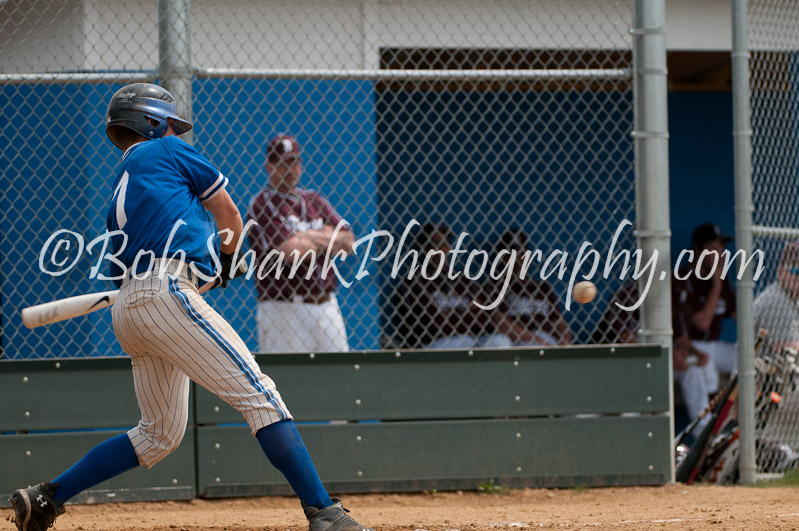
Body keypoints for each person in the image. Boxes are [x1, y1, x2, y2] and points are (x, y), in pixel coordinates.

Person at [8, 84, 371, 531]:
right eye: (170, 124)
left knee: (158, 435)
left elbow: (139, 269)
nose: (176, 132)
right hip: (164, 295)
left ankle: (46, 498)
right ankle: (325, 513)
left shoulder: (126, 182)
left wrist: (207, 272)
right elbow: (229, 214)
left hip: (132, 308)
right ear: (153, 123)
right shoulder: (167, 150)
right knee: (261, 397)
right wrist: (231, 258)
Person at [247, 134, 354, 353]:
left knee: (339, 376)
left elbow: (349, 242)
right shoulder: (263, 204)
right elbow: (290, 252)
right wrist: (324, 235)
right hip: (284, 307)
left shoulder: (313, 199)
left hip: (326, 305)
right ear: (269, 167)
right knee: (288, 380)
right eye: (283, 163)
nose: (291, 169)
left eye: (294, 162)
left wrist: (306, 237)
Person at [395, 223, 511, 349]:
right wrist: (466, 310)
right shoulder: (415, 281)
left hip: (469, 340)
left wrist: (450, 313)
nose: (440, 249)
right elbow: (434, 324)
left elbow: (487, 317)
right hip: (437, 344)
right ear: (425, 248)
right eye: (435, 244)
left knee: (500, 340)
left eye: (444, 243)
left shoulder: (463, 280)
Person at [673, 222, 738, 380]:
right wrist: (717, 284)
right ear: (698, 249)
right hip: (692, 346)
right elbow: (703, 323)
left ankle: (746, 402)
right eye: (714, 249)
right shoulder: (683, 278)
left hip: (715, 346)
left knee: (750, 359)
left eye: (721, 248)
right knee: (705, 372)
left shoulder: (721, 277)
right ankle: (714, 404)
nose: (721, 253)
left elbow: (738, 316)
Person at [486, 228, 571, 346]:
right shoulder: (497, 286)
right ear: (503, 258)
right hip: (517, 341)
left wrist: (565, 339)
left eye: (522, 252)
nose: (518, 258)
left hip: (545, 338)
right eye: (512, 254)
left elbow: (559, 323)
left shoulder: (542, 288)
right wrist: (534, 339)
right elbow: (500, 322)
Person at [754, 241, 799, 353]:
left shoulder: (792, 297)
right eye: (795, 271)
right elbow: (787, 349)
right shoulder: (777, 301)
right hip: (760, 369)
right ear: (779, 272)